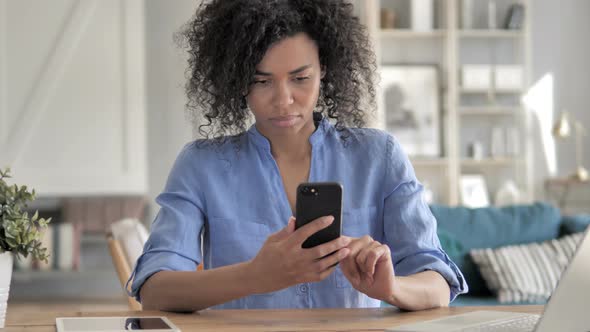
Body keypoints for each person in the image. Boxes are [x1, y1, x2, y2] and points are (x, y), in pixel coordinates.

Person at [128, 0, 467, 312]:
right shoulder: (202, 165)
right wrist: (255, 277)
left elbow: (437, 285)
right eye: (261, 81)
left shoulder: (379, 157)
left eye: (300, 78)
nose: (283, 99)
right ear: (237, 81)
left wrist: (391, 288)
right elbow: (156, 290)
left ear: (325, 71)